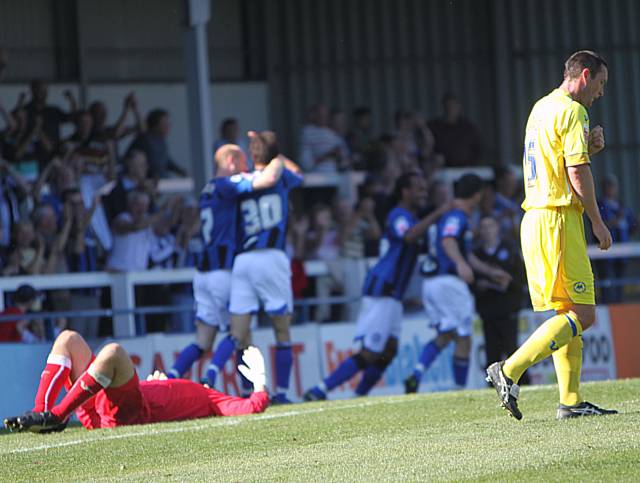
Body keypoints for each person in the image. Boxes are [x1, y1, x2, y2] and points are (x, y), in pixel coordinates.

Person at [486, 50, 618, 420]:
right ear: (586, 75)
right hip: (558, 218)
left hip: (538, 217)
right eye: (601, 84)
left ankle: (571, 403)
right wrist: (597, 219)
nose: (602, 93)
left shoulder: (541, 107)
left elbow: (558, 159)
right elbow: (577, 172)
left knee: (567, 312)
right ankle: (509, 370)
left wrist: (587, 147)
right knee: (585, 315)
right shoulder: (575, 111)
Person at [304, 172, 448, 401]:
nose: (424, 194)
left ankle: (359, 395)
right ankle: (319, 390)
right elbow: (409, 236)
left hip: (394, 294)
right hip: (383, 288)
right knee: (371, 352)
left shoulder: (411, 216)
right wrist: (439, 212)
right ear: (405, 191)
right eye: (419, 189)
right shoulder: (397, 215)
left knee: (388, 350)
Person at [168, 144, 285, 386]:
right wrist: (275, 159)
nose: (246, 168)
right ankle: (213, 376)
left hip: (202, 273)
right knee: (241, 332)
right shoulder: (227, 184)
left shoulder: (207, 189)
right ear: (231, 161)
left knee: (203, 340)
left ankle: (168, 378)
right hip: (223, 270)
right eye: (242, 162)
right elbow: (265, 180)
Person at [4, 330, 269, 433]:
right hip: (109, 404)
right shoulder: (184, 388)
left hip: (131, 413)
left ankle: (58, 415)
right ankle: (41, 413)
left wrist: (260, 384)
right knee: (68, 338)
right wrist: (155, 384)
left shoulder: (211, 398)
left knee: (114, 352)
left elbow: (250, 408)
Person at [210, 131, 303, 404]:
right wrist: (276, 155)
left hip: (244, 260)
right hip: (271, 258)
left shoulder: (240, 180)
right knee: (282, 330)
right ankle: (283, 394)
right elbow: (299, 173)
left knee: (238, 332)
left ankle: (242, 389)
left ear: (251, 155)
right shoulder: (280, 174)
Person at [404, 174, 511, 393]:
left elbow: (465, 254)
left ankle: (416, 373)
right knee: (464, 336)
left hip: (434, 282)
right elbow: (448, 240)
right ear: (478, 194)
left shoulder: (456, 216)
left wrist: (490, 272)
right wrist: (460, 264)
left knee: (446, 334)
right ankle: (459, 389)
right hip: (448, 282)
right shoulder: (457, 216)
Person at [472, 216, 525, 376]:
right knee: (491, 351)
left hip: (508, 308)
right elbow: (472, 281)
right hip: (488, 310)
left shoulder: (509, 250)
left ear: (497, 228)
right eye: (484, 227)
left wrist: (508, 282)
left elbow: (521, 277)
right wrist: (482, 285)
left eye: (491, 226)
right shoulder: (476, 255)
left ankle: (521, 380)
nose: (488, 230)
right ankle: (494, 384)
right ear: (480, 231)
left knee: (512, 348)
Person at [596, 174, 637, 303]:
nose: (611, 189)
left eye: (613, 186)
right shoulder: (599, 205)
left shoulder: (622, 207)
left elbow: (632, 226)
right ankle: (608, 305)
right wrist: (615, 220)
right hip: (606, 254)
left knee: (620, 283)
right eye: (608, 186)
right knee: (607, 283)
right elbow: (599, 225)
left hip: (621, 253)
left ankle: (619, 305)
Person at [428, 93, 482, 167]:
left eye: (453, 106)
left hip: (466, 167)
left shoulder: (468, 127)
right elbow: (428, 147)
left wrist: (472, 164)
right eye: (448, 106)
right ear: (443, 107)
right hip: (442, 169)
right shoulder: (434, 126)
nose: (451, 109)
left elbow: (478, 149)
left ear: (459, 107)